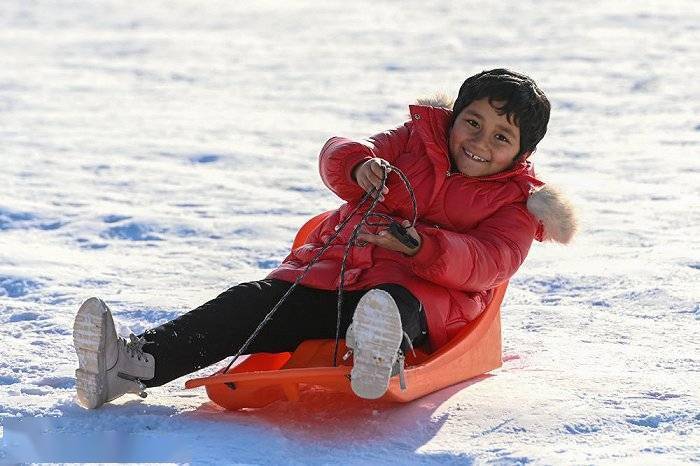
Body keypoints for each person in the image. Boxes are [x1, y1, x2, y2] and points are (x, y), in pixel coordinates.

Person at [73, 68, 577, 409]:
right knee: (250, 303)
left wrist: (422, 248)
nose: (480, 142)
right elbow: (338, 151)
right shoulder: (411, 142)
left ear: (522, 152)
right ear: (453, 118)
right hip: (333, 276)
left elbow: (491, 261)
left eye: (500, 137)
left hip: (426, 296)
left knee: (389, 304)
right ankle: (132, 364)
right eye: (472, 123)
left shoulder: (516, 202)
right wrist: (359, 166)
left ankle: (378, 350)